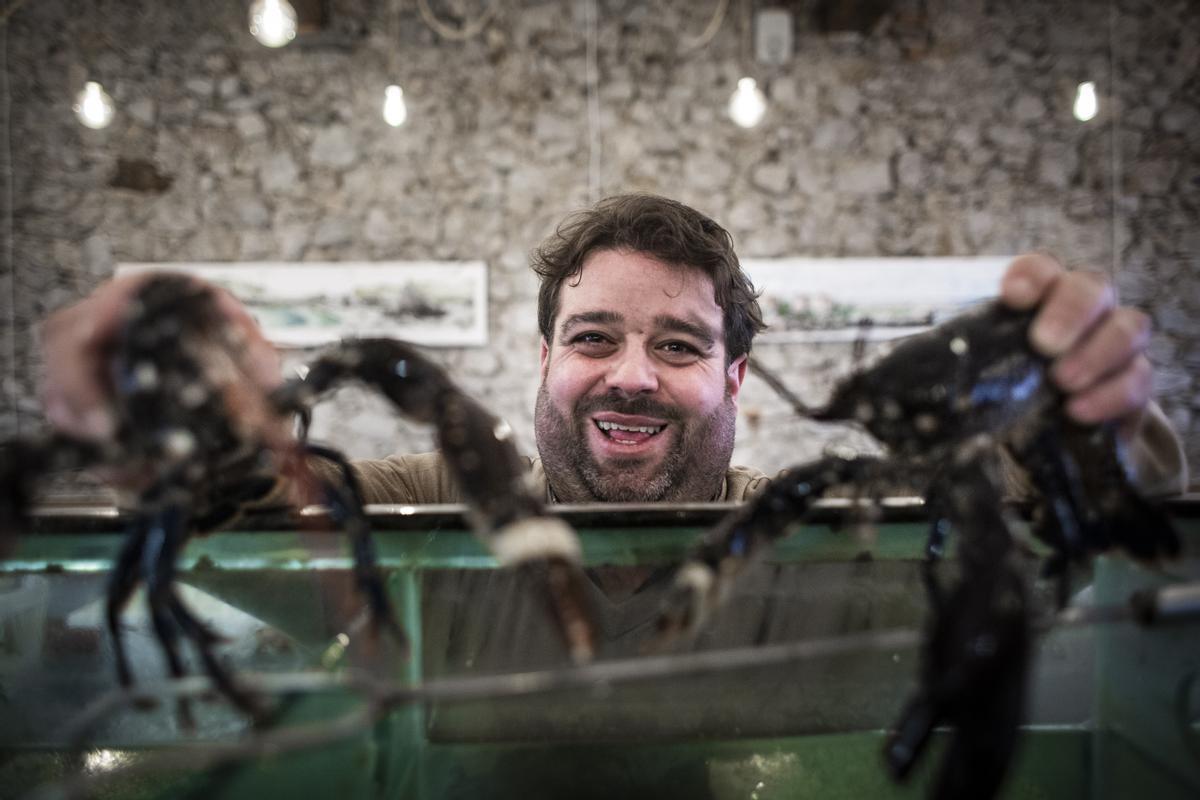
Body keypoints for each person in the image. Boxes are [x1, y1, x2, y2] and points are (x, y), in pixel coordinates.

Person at [38, 194, 1187, 504]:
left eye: (679, 343)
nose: (632, 372)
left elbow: (1049, 489)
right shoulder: (437, 501)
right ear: (544, 358)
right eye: (593, 335)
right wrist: (196, 411)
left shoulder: (800, 529)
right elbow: (262, 498)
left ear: (735, 378)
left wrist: (1082, 417)